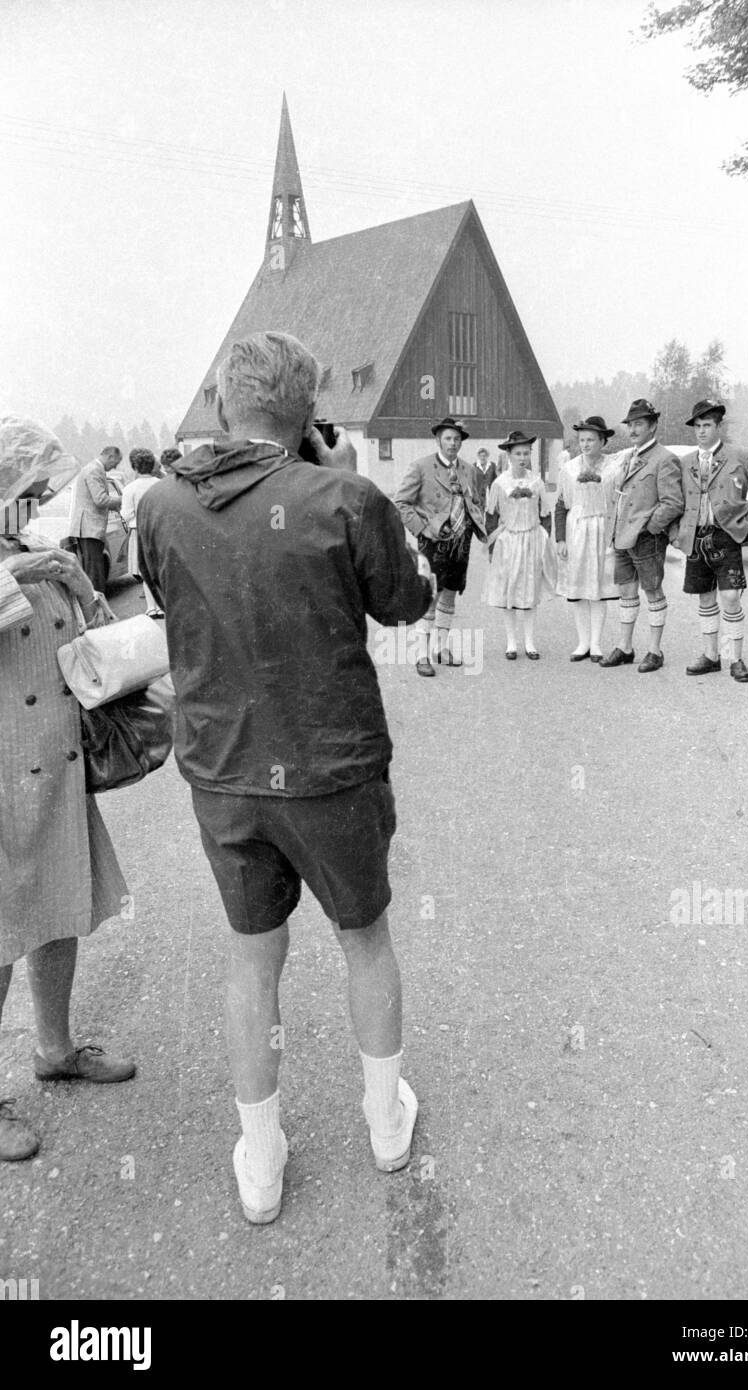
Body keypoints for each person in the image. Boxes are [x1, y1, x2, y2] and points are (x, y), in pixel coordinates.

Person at [137, 331, 432, 1225]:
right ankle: (385, 1122)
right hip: (332, 766)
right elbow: (405, 599)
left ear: (224, 404)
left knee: (251, 961)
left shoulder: (158, 506)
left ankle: (260, 1160)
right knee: (365, 940)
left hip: (223, 772)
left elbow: (162, 596)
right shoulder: (342, 494)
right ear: (308, 416)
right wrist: (347, 478)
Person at [0, 419, 136, 1164]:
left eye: (40, 495)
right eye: (25, 495)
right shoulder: (15, 563)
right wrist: (22, 576)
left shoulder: (31, 552)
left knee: (58, 911)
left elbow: (93, 642)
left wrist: (84, 587)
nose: (36, 509)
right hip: (0, 778)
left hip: (53, 767)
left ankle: (54, 1047)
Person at [671, 398, 748, 683]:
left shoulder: (740, 455)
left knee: (731, 596)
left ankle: (736, 658)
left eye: (707, 425)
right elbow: (672, 501)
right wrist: (675, 534)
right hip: (696, 537)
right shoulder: (685, 463)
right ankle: (710, 656)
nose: (702, 431)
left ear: (718, 426)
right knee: (705, 597)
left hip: (727, 536)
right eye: (697, 426)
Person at [394, 416, 486, 676]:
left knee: (450, 593)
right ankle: (422, 654)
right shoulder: (421, 467)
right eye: (448, 438)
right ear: (438, 440)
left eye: (457, 439)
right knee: (429, 595)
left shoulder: (468, 470)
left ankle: (442, 649)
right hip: (433, 542)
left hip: (460, 542)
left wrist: (474, 524)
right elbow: (401, 503)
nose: (453, 443)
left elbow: (475, 501)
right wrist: (423, 529)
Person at [600, 398, 683, 673]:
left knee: (652, 591)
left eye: (639, 424)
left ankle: (654, 651)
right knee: (626, 591)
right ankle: (625, 647)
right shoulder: (629, 455)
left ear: (653, 426)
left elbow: (673, 503)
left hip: (647, 537)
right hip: (621, 534)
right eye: (631, 425)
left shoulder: (664, 458)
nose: (633, 430)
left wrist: (649, 526)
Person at [482, 430, 556, 659]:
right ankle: (511, 643)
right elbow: (491, 515)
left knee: (530, 591)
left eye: (526, 453)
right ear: (509, 455)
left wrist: (544, 538)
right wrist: (493, 547)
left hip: (531, 539)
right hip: (509, 540)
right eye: (518, 453)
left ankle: (530, 643)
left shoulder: (536, 481)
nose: (522, 458)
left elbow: (545, 513)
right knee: (509, 591)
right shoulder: (499, 483)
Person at [554, 416, 622, 663]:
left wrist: (615, 534)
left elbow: (618, 503)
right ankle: (582, 642)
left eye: (591, 439)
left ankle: (596, 643)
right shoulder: (569, 469)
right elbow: (561, 505)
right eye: (582, 439)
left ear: (602, 441)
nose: (585, 444)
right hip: (577, 531)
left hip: (602, 531)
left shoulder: (613, 469)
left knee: (599, 588)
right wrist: (560, 539)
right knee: (579, 588)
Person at [67, 445, 124, 593]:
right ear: (110, 456)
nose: (114, 467)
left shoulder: (92, 469)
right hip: (90, 527)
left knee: (93, 569)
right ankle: (97, 606)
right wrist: (123, 499)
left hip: (88, 526)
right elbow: (100, 500)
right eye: (115, 463)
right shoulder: (94, 470)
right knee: (95, 572)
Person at [121, 448, 163, 617]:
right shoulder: (160, 485)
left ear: (135, 467)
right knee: (158, 569)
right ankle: (161, 605)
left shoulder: (130, 488)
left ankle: (151, 607)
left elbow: (126, 514)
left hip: (138, 531)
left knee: (145, 570)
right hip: (158, 530)